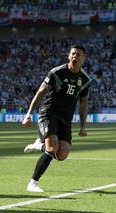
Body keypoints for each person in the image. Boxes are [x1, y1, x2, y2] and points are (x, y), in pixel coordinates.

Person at [22, 45, 91, 192]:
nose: (75, 57)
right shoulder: (57, 72)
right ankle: (33, 183)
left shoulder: (85, 80)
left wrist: (83, 127)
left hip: (66, 119)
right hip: (49, 113)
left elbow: (84, 103)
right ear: (68, 56)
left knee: (62, 154)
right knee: (52, 149)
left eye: (79, 55)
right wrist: (28, 114)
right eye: (73, 54)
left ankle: (38, 145)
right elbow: (40, 92)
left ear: (84, 59)